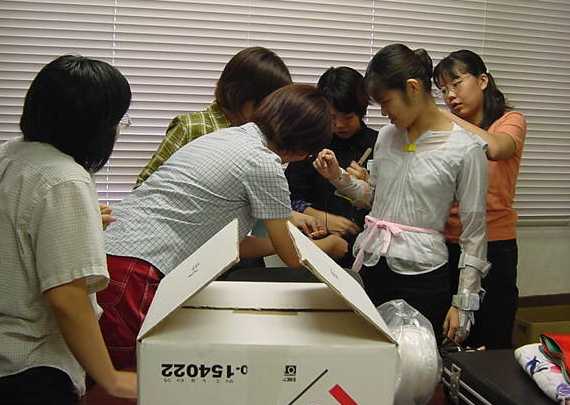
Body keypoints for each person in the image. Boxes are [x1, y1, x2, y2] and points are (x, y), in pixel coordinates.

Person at [98, 84, 349, 370]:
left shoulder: (225, 137)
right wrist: (328, 245)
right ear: (303, 147)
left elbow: (230, 245)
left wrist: (282, 239)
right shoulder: (263, 163)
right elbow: (291, 257)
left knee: (120, 373)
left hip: (111, 252)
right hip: (135, 270)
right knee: (129, 378)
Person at [314, 44, 490, 343]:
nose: (384, 113)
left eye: (386, 102)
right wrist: (338, 177)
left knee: (414, 360)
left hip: (422, 275)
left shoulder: (465, 149)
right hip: (372, 264)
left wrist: (464, 302)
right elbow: (373, 198)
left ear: (413, 88)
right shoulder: (387, 136)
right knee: (367, 350)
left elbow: (474, 233)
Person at [0, 55, 137, 404]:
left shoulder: (10, 154)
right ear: (94, 125)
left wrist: (81, 224)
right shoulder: (65, 179)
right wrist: (111, 379)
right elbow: (67, 298)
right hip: (31, 367)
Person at [136, 45, 323, 236]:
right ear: (240, 96)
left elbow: (250, 198)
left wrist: (288, 216)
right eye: (269, 104)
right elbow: (145, 186)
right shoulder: (192, 126)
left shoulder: (260, 138)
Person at [434, 49, 527, 349]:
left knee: (490, 335)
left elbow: (497, 148)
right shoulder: (446, 130)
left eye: (456, 83)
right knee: (447, 336)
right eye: (443, 90)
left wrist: (445, 118)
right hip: (447, 242)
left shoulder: (510, 120)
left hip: (494, 245)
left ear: (483, 81)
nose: (450, 95)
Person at [286, 66, 378, 267]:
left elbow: (390, 204)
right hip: (316, 248)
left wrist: (367, 184)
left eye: (348, 117)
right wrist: (321, 217)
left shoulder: (378, 144)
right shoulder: (310, 144)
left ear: (361, 110)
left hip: (366, 252)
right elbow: (287, 199)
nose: (340, 125)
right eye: (332, 117)